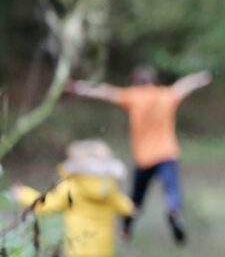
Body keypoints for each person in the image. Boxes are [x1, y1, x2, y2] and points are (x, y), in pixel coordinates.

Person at [65, 65, 212, 244]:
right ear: (154, 82)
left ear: (136, 82)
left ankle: (126, 229)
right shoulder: (166, 95)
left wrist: (79, 87)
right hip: (167, 154)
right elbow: (183, 85)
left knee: (136, 197)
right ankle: (173, 211)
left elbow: (105, 92)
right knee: (172, 189)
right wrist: (200, 78)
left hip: (144, 158)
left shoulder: (134, 96)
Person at [12, 139, 136, 257]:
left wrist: (24, 194)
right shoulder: (109, 188)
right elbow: (124, 205)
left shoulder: (72, 186)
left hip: (78, 248)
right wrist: (130, 209)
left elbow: (48, 203)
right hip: (103, 249)